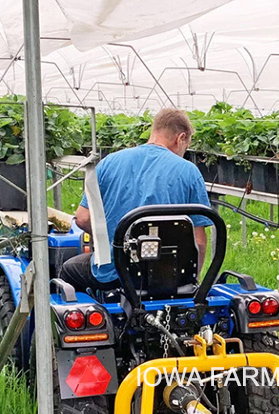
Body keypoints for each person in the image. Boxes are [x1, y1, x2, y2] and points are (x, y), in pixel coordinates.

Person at [60, 107, 213, 292]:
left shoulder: (109, 163)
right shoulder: (189, 172)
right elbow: (200, 241)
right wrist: (190, 279)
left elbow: (82, 219)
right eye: (186, 147)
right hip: (169, 279)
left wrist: (111, 239)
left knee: (68, 270)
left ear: (154, 130)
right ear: (180, 138)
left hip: (114, 275)